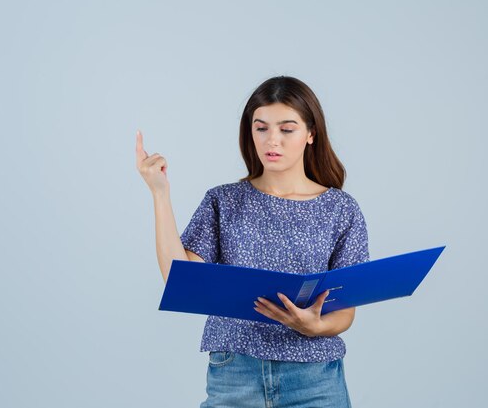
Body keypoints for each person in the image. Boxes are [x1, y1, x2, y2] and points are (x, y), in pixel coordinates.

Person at [136, 76, 369, 408]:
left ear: (311, 133)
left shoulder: (341, 209)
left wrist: (314, 326)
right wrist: (160, 193)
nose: (272, 140)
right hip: (235, 374)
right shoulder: (223, 201)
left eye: (287, 129)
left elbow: (345, 312)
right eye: (261, 128)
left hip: (314, 380)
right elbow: (180, 280)